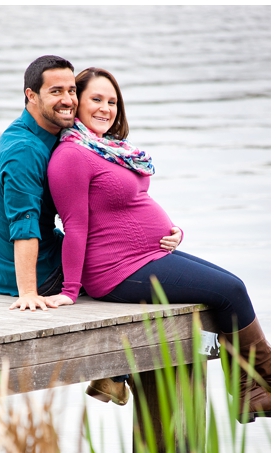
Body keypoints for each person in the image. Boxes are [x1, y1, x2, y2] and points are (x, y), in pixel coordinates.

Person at [45, 67, 270, 423]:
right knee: (231, 290)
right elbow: (74, 225)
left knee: (228, 284)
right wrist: (71, 291)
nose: (106, 108)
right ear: (77, 104)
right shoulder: (71, 156)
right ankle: (254, 388)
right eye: (96, 99)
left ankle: (251, 387)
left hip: (146, 255)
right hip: (116, 270)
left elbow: (130, 208)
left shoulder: (108, 150)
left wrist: (173, 231)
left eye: (112, 101)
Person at [0, 55, 77, 310]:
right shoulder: (25, 151)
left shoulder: (34, 132)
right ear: (31, 95)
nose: (68, 100)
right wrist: (29, 292)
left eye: (72, 90)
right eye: (56, 91)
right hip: (40, 276)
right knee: (132, 261)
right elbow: (24, 222)